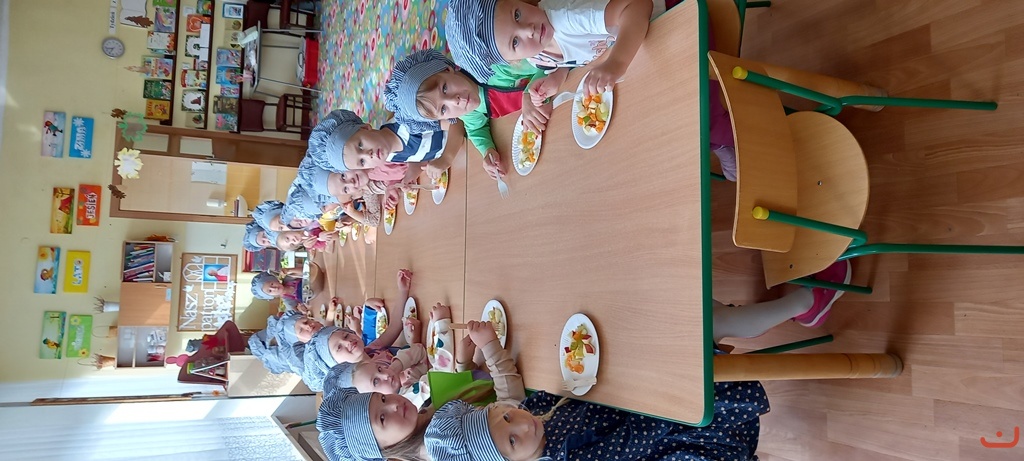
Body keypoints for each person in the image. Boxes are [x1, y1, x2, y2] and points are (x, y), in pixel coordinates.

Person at [421, 261, 853, 460]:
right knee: (700, 325)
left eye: (504, 416)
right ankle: (806, 303)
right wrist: (648, 374)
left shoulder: (528, 418)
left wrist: (492, 349)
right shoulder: (570, 455)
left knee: (689, 313)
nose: (521, 423)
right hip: (682, 425)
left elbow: (528, 395)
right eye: (512, 441)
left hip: (634, 400)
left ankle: (777, 311)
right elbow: (641, 433)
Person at [386, 47, 543, 181]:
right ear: (445, 118)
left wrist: (530, 93)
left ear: (447, 69)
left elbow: (549, 60)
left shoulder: (496, 66)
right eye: (443, 109)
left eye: (445, 88)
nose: (454, 100)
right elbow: (475, 129)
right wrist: (487, 150)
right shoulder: (468, 111)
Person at [301, 269, 414, 391]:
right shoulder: (369, 386)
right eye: (339, 348)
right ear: (337, 366)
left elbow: (394, 326)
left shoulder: (371, 350)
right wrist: (414, 341)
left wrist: (403, 291)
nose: (347, 342)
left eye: (345, 336)